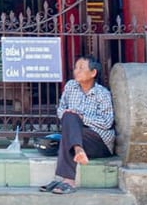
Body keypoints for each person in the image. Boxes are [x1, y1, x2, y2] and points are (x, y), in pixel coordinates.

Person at [40, 55, 115, 194]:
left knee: (69, 128)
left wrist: (82, 117)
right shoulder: (70, 86)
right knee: (68, 116)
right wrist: (72, 115)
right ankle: (72, 170)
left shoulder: (102, 94)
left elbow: (107, 122)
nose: (76, 71)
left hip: (99, 141)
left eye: (81, 68)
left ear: (93, 73)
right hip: (77, 136)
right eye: (76, 68)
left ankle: (64, 177)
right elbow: (61, 109)